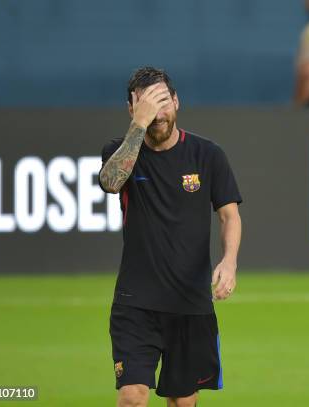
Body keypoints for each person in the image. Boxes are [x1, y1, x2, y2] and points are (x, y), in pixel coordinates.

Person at [98, 67, 242, 407]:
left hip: (190, 304)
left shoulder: (208, 155)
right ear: (132, 110)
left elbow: (229, 215)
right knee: (132, 397)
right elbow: (110, 182)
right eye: (146, 105)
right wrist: (139, 126)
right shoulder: (120, 151)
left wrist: (230, 261)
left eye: (162, 102)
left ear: (176, 102)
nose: (157, 114)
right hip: (135, 302)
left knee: (183, 402)